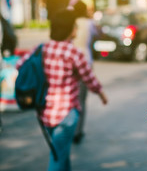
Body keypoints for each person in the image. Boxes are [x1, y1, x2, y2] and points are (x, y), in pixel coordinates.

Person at [16, 10, 107, 171]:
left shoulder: (41, 48)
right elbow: (89, 79)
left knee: (61, 153)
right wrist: (101, 94)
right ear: (69, 29)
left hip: (44, 112)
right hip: (66, 116)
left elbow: (20, 65)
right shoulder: (74, 52)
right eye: (75, 27)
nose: (77, 30)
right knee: (58, 158)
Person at [72, 0, 100, 143]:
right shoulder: (89, 23)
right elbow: (98, 34)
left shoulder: (72, 22)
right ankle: (78, 131)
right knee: (81, 99)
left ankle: (70, 127)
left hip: (71, 62)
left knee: (71, 96)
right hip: (86, 60)